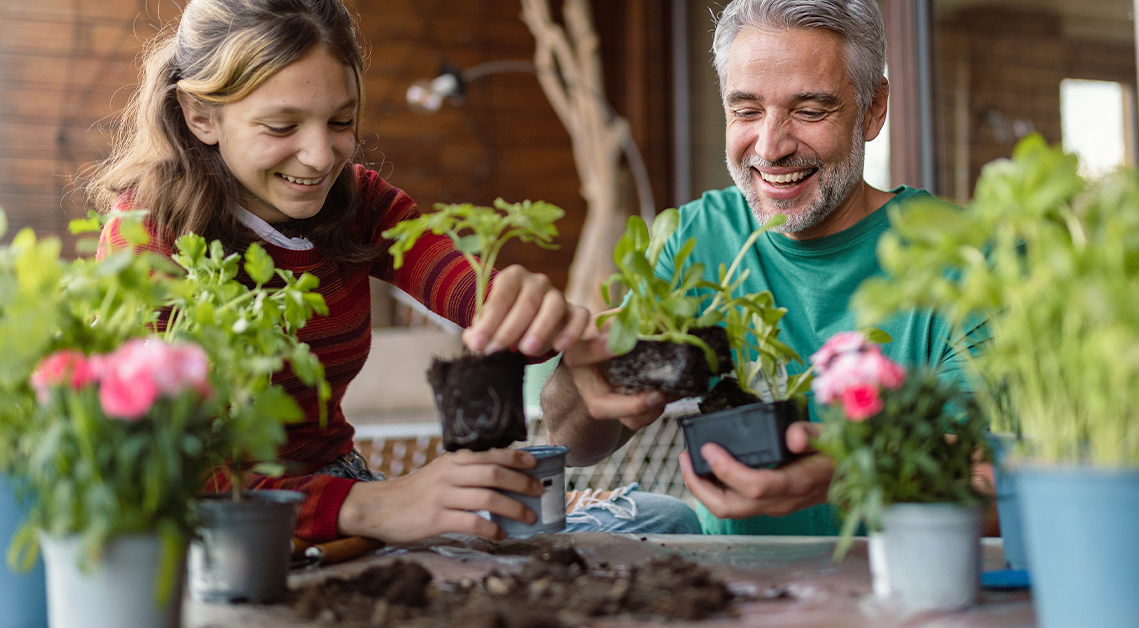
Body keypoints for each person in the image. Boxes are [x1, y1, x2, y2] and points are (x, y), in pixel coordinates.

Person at [87, 0, 599, 545]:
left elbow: (462, 284)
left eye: (340, 121)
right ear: (201, 117)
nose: (319, 156)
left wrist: (536, 315)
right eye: (282, 125)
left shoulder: (359, 203)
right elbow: (149, 470)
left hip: (342, 493)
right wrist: (371, 505)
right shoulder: (148, 239)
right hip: (219, 525)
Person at [542, 0, 985, 536]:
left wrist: (850, 474)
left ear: (873, 110)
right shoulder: (696, 237)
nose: (771, 147)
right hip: (729, 588)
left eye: (810, 110)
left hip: (906, 587)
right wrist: (588, 372)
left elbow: (1000, 487)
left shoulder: (965, 257)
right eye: (747, 111)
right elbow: (573, 443)